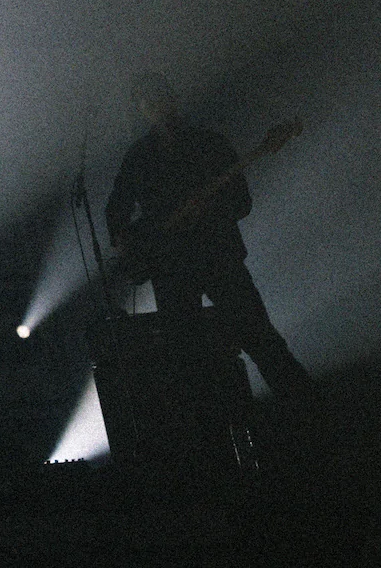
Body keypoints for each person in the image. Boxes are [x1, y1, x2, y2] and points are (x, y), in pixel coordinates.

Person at [106, 73, 317, 406]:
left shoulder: (209, 143)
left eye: (158, 97)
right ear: (141, 109)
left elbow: (241, 202)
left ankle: (309, 410)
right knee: (187, 359)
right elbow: (116, 209)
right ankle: (211, 426)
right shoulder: (139, 156)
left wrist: (208, 212)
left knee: (260, 339)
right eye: (146, 100)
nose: (154, 105)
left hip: (218, 256)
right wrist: (128, 242)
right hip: (171, 267)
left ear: (172, 99)